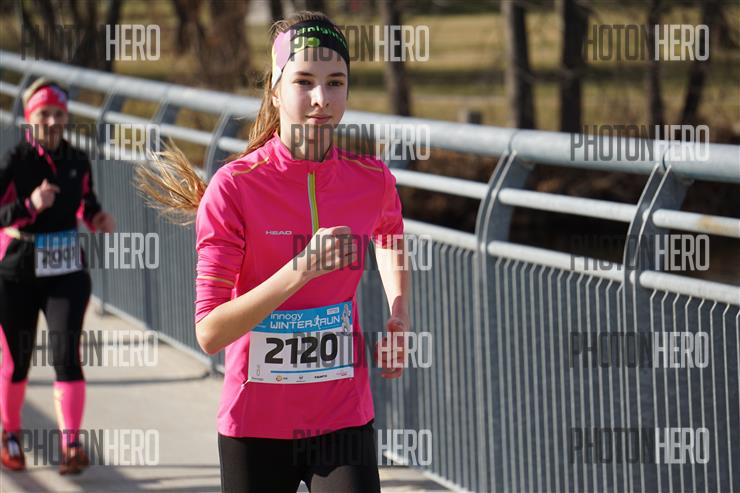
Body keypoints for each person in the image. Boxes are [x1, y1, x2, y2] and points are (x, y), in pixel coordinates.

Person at [136, 11, 411, 493]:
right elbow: (210, 332)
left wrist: (399, 311)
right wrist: (299, 270)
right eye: (304, 81)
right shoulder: (235, 188)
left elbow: (389, 232)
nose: (322, 99)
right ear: (275, 90)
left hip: (341, 415)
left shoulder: (371, 179)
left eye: (336, 82)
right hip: (255, 425)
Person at [0, 78, 115, 475]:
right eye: (43, 113)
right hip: (16, 270)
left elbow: (86, 202)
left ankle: (71, 446)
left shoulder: (76, 160)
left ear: (66, 118)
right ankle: (10, 435)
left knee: (67, 355)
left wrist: (97, 218)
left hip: (66, 270)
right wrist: (29, 205)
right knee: (17, 361)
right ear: (30, 117)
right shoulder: (15, 160)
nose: (52, 121)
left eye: (59, 114)